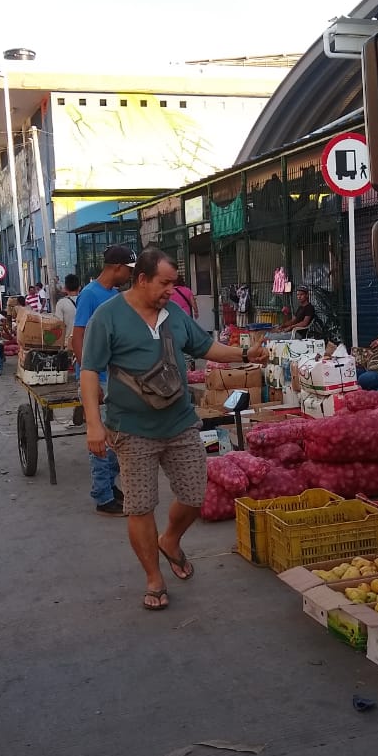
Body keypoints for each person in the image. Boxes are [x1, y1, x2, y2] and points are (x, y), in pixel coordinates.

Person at [80, 247, 268, 611]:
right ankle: (153, 578)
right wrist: (93, 424)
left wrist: (245, 355)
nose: (170, 290)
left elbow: (206, 346)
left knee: (195, 496)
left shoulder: (174, 314)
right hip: (131, 428)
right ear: (142, 279)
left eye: (173, 283)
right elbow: (89, 372)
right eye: (164, 283)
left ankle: (170, 540)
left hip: (179, 421)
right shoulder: (109, 317)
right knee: (140, 506)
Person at [71, 246, 135, 515]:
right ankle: (102, 495)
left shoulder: (115, 295)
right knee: (103, 439)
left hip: (118, 377)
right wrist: (92, 378)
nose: (130, 277)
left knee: (121, 439)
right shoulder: (89, 295)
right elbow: (78, 338)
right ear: (116, 267)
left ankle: (109, 485)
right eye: (129, 271)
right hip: (100, 378)